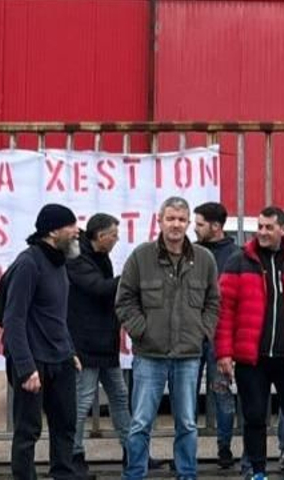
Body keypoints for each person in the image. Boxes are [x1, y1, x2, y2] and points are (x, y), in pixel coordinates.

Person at [116, 197, 221, 480]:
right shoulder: (141, 257)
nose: (176, 224)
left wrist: (202, 330)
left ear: (188, 223)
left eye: (181, 219)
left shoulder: (204, 259)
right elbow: (124, 301)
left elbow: (213, 302)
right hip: (149, 356)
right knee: (140, 422)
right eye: (170, 218)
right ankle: (134, 474)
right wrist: (142, 330)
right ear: (159, 220)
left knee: (187, 422)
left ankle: (187, 474)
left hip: (188, 355)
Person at [215, 207, 284, 480]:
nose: (262, 232)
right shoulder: (239, 261)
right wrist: (225, 353)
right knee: (254, 417)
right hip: (253, 358)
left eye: (268, 227)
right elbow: (225, 311)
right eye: (260, 227)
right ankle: (258, 470)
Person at [4, 203, 82, 480]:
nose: (77, 232)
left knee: (65, 424)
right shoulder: (29, 263)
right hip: (34, 362)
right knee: (28, 430)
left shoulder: (60, 262)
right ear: (53, 230)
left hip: (60, 358)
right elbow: (13, 319)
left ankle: (64, 474)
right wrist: (26, 368)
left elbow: (56, 315)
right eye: (71, 226)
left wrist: (69, 350)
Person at [66, 213, 130, 478]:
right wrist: (130, 279)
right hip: (86, 342)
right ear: (101, 236)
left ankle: (133, 450)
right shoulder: (77, 259)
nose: (117, 240)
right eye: (114, 235)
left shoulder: (98, 257)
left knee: (119, 397)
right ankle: (74, 455)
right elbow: (99, 288)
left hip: (105, 341)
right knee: (82, 403)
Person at [194, 202, 241, 469]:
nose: (195, 228)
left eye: (200, 224)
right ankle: (185, 450)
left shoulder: (235, 255)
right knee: (185, 395)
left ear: (215, 226)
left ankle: (224, 448)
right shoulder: (190, 251)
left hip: (220, 337)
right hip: (191, 334)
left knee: (222, 393)